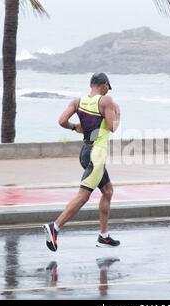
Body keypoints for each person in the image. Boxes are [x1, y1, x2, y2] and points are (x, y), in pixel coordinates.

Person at [42, 73, 121, 251]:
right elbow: (111, 127)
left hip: (85, 152)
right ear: (103, 85)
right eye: (108, 86)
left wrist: (75, 127)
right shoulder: (106, 101)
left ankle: (104, 236)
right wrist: (118, 114)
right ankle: (54, 227)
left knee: (108, 191)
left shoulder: (77, 102)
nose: (108, 90)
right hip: (97, 155)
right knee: (83, 196)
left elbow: (62, 120)